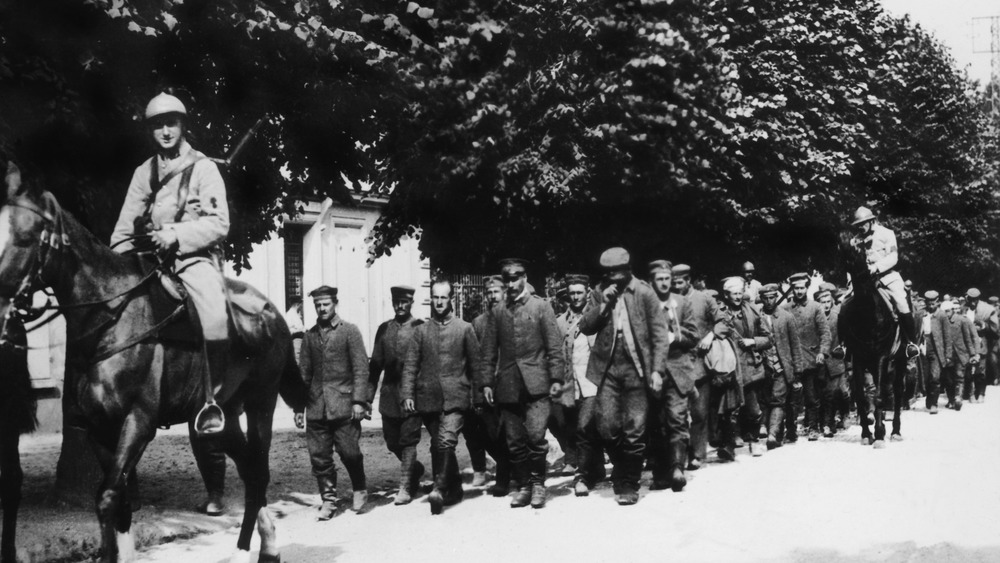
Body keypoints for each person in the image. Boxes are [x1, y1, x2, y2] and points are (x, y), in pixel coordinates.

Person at [111, 92, 230, 436]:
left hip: (190, 259)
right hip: (147, 261)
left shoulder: (203, 168)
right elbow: (122, 229)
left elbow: (219, 223)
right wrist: (119, 263)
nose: (165, 131)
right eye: (158, 125)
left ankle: (214, 398)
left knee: (215, 314)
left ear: (182, 125)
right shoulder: (142, 172)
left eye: (171, 123)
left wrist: (176, 234)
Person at [578, 248, 669, 505]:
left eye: (616, 274)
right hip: (607, 369)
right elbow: (586, 326)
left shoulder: (644, 292)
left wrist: (657, 371)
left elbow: (660, 335)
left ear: (628, 269)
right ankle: (622, 468)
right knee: (606, 427)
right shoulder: (600, 291)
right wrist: (604, 304)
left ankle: (629, 482)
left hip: (637, 369)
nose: (612, 279)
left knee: (635, 429)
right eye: (608, 274)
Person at [480, 258, 566, 509]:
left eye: (516, 277)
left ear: (525, 278)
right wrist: (486, 382)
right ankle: (525, 484)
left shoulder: (542, 307)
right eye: (507, 279)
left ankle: (539, 484)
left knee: (536, 437)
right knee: (514, 440)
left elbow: (554, 347)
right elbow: (487, 352)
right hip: (507, 386)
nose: (512, 283)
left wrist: (557, 379)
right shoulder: (497, 312)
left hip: (538, 385)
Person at [401, 280, 482, 515]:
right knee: (438, 445)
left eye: (443, 298)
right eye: (435, 297)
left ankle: (438, 488)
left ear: (451, 299)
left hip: (457, 397)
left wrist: (477, 398)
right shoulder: (421, 331)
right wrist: (407, 393)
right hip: (429, 399)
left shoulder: (464, 328)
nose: (438, 302)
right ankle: (454, 490)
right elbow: (410, 366)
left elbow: (476, 367)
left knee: (446, 441)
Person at [294, 286, 369, 520]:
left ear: (335, 303)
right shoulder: (309, 336)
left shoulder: (350, 332)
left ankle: (359, 488)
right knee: (319, 457)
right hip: (316, 407)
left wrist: (359, 401)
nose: (322, 308)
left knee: (350, 453)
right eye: (318, 305)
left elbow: (360, 369)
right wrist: (298, 407)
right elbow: (304, 374)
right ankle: (328, 500)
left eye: (326, 304)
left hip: (344, 406)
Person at [367, 286, 424, 505]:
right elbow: (375, 367)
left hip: (413, 395)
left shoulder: (420, 328)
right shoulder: (384, 329)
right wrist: (367, 400)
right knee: (392, 442)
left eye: (404, 302)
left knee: (409, 440)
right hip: (390, 395)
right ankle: (415, 469)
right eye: (396, 302)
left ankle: (405, 487)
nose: (400, 306)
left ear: (411, 303)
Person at [646, 260, 696, 492]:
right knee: (656, 423)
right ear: (652, 282)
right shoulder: (645, 304)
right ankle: (660, 472)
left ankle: (677, 468)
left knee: (677, 419)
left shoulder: (683, 303)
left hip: (678, 370)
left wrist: (675, 337)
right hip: (653, 373)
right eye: (660, 279)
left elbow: (694, 336)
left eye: (667, 278)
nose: (665, 283)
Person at [672, 264, 726, 470]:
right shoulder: (667, 301)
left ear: (689, 280)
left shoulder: (704, 299)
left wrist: (711, 335)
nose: (677, 287)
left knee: (699, 413)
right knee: (677, 415)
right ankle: (678, 457)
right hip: (676, 365)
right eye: (673, 284)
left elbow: (723, 320)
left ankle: (697, 454)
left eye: (680, 283)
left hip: (700, 365)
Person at [556, 274, 606, 495]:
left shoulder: (597, 316)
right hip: (571, 384)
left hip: (593, 381)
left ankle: (582, 476)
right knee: (579, 427)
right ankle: (596, 469)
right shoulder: (560, 322)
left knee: (585, 426)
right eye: (572, 293)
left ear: (587, 293)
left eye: (579, 292)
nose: (575, 297)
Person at [848, 206, 919, 358]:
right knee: (844, 305)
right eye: (858, 225)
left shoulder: (887, 234)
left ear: (871, 220)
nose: (861, 227)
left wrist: (876, 268)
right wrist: (850, 282)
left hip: (886, 277)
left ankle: (911, 343)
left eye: (864, 223)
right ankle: (844, 345)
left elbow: (893, 257)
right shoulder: (855, 240)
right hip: (864, 281)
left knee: (901, 301)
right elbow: (852, 265)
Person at [468, 275, 512, 496]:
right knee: (487, 434)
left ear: (505, 292)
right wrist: (478, 393)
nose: (493, 296)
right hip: (487, 389)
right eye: (489, 292)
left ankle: (504, 478)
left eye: (497, 291)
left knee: (509, 433)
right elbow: (475, 362)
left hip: (512, 387)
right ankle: (507, 466)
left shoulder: (514, 317)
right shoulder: (478, 323)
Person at [719, 277, 771, 458]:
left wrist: (753, 341)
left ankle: (753, 439)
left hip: (749, 368)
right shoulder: (719, 313)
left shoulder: (753, 312)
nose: (738, 297)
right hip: (730, 367)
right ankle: (730, 444)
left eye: (740, 293)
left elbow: (768, 339)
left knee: (754, 410)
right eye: (734, 294)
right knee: (730, 408)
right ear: (726, 295)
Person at [783, 273, 831, 442]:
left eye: (802, 287)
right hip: (792, 360)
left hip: (811, 359)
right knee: (792, 398)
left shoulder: (816, 307)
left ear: (807, 288)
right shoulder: (785, 309)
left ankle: (813, 427)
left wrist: (822, 352)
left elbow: (825, 333)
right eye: (796, 288)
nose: (799, 291)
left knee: (811, 396)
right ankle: (791, 430)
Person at [758, 283, 801, 448]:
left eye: (772, 297)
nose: (769, 301)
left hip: (782, 366)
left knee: (778, 400)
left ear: (776, 297)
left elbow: (795, 345)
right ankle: (769, 429)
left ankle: (772, 434)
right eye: (765, 298)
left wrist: (797, 369)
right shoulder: (757, 316)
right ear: (761, 299)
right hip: (762, 367)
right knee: (764, 400)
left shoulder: (787, 317)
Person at [816, 289, 848, 435]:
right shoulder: (815, 317)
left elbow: (844, 337)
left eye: (829, 302)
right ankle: (825, 423)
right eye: (823, 302)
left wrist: (843, 349)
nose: (826, 305)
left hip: (835, 361)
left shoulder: (837, 317)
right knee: (823, 394)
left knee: (835, 393)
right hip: (820, 362)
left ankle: (832, 421)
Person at [964, 288, 998, 402]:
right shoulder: (963, 309)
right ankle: (970, 393)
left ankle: (981, 393)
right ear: (967, 298)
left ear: (978, 299)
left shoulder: (987, 309)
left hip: (981, 341)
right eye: (971, 299)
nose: (973, 302)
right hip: (966, 343)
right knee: (968, 369)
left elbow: (995, 329)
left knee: (981, 369)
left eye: (976, 300)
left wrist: (984, 326)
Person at [941, 300, 976, 410]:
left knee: (959, 376)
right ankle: (951, 399)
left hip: (960, 353)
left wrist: (973, 354)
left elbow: (968, 338)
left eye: (947, 311)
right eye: (944, 312)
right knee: (948, 378)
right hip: (947, 354)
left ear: (952, 310)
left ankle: (958, 398)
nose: (946, 314)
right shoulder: (941, 321)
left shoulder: (961, 320)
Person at [920, 291, 947, 414]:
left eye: (933, 303)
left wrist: (948, 354)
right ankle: (929, 398)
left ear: (937, 302)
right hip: (923, 348)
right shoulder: (921, 314)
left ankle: (934, 403)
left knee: (935, 377)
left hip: (936, 350)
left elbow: (947, 336)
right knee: (925, 378)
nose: (931, 306)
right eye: (929, 304)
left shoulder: (942, 315)